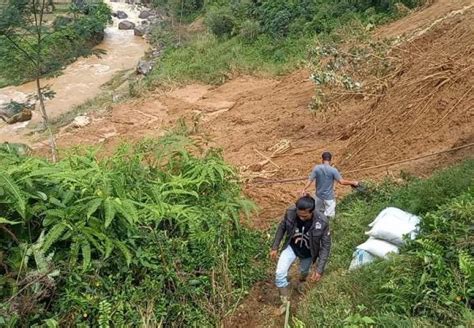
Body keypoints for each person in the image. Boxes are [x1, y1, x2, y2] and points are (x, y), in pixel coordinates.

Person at [270, 195, 331, 315]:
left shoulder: (322, 221)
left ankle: (302, 280)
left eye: (305, 216)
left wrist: (319, 269)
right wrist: (275, 247)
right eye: (299, 214)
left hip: (308, 253)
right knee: (279, 273)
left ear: (312, 212)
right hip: (291, 247)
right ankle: (285, 302)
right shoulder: (291, 213)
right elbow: (281, 228)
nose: (301, 218)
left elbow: (325, 247)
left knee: (304, 271)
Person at [301, 151, 359, 219]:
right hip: (329, 198)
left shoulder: (316, 168)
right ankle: (327, 227)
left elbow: (310, 180)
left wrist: (304, 189)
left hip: (318, 196)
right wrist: (353, 183)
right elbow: (342, 182)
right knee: (329, 217)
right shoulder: (333, 170)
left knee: (317, 215)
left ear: (322, 159)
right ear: (330, 160)